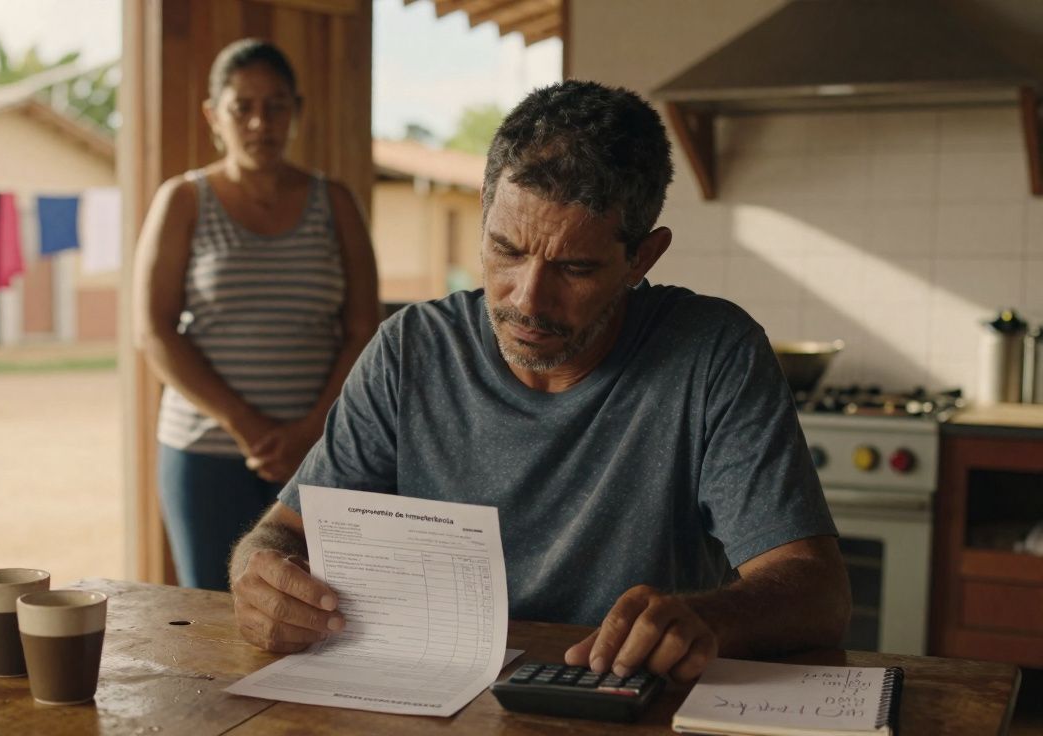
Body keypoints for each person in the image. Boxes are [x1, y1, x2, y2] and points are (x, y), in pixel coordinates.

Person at [227, 80, 851, 682]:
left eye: (574, 268)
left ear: (643, 257)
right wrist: (258, 574)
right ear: (484, 213)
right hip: (433, 696)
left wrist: (709, 618)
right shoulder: (411, 350)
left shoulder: (712, 354)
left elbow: (819, 592)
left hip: (624, 704)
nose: (527, 300)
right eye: (507, 250)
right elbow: (283, 531)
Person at [132, 39, 380, 592]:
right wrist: (249, 427)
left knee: (320, 609)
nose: (259, 122)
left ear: (297, 111)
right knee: (212, 613)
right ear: (213, 115)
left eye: (276, 106)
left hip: (321, 453)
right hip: (205, 453)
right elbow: (154, 331)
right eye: (242, 106)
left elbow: (364, 329)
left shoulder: (336, 203)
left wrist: (313, 430)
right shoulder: (183, 200)